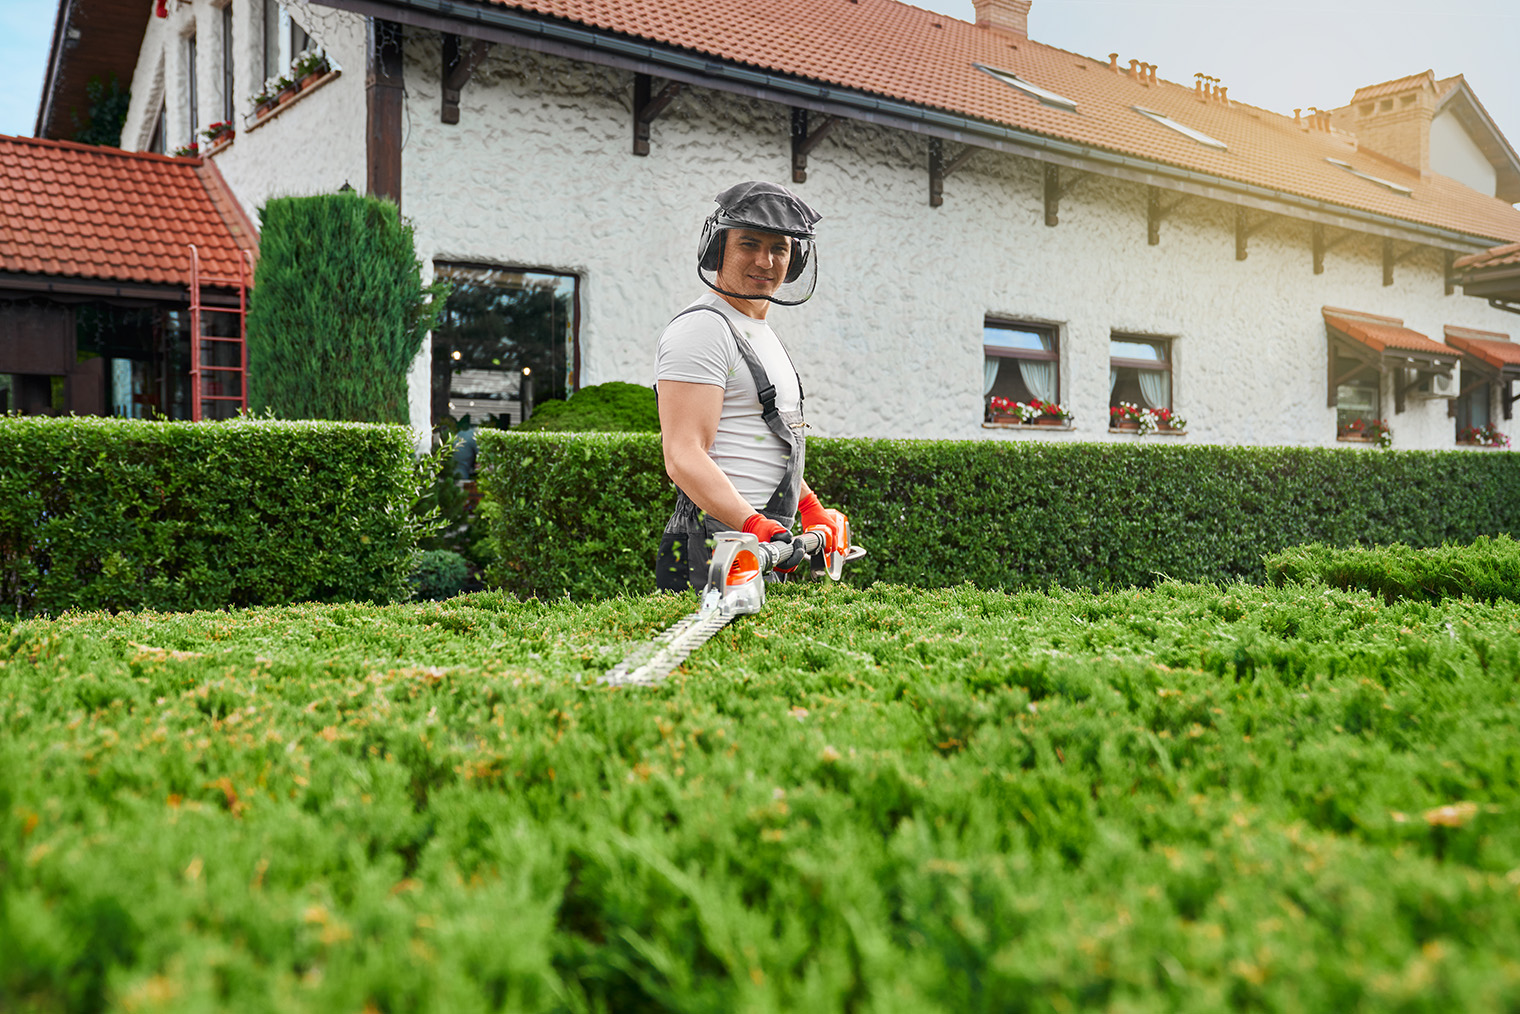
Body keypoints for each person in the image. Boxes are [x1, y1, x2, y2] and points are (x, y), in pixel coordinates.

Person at [653, 180, 848, 592]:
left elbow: (767, 440)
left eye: (779, 248)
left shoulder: (760, 332)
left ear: (795, 259)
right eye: (749, 244)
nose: (765, 260)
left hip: (762, 544)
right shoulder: (704, 328)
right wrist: (754, 523)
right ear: (717, 248)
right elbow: (682, 455)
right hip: (711, 545)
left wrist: (810, 509)